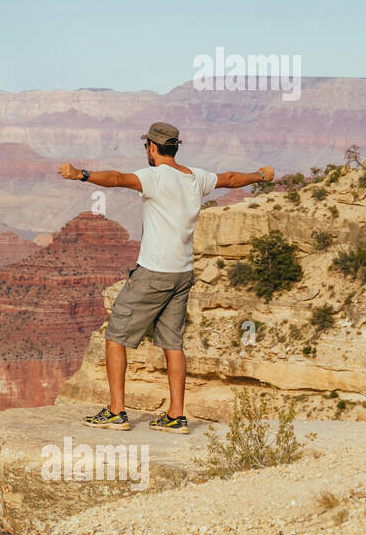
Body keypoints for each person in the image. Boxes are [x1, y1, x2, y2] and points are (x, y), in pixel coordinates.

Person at [58, 121, 274, 433]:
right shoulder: (195, 177)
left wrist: (82, 174)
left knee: (116, 335)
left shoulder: (155, 177)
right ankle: (176, 416)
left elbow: (118, 179)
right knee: (173, 344)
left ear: (154, 148)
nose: (146, 150)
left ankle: (117, 411)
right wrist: (261, 175)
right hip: (182, 273)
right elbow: (228, 179)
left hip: (154, 272)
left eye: (146, 145)